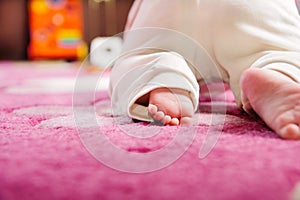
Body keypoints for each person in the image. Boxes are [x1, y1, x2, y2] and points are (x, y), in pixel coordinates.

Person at [109, 0, 300, 139]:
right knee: (277, 52)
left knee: (142, 59)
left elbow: (133, 22)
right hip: (252, 8)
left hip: (167, 10)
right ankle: (279, 71)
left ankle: (163, 78)